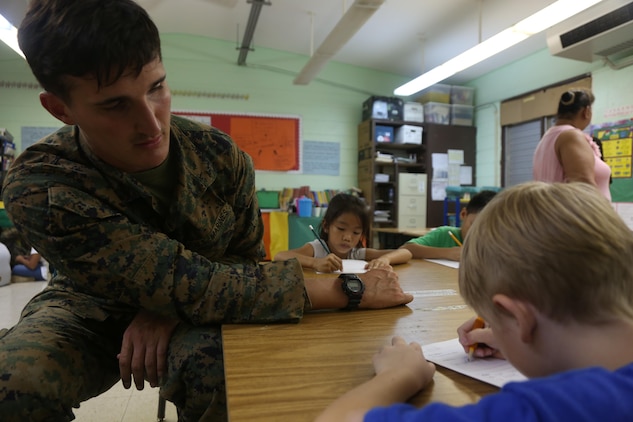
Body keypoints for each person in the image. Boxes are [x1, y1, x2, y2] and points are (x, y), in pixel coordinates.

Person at [0, 1, 413, 420]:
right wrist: (349, 290)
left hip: (206, 305)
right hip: (87, 308)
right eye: (115, 106)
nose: (152, 124)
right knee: (12, 383)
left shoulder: (219, 155)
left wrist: (171, 308)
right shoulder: (41, 182)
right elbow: (180, 280)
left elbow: (245, 262)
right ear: (61, 108)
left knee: (221, 368)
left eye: (156, 87)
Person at [316, 181, 633, 421]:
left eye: (493, 320)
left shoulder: (548, 409)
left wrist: (398, 375)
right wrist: (526, 340)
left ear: (520, 318)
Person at [274, 193, 412, 272]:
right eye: (341, 229)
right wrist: (315, 263)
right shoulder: (317, 248)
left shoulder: (356, 253)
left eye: (356, 232)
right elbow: (280, 256)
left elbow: (406, 253)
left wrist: (385, 259)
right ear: (326, 226)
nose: (347, 238)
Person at [533, 88, 611, 200]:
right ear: (586, 111)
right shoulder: (571, 136)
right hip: (578, 215)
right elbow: (584, 186)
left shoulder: (548, 137)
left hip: (557, 212)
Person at [399, 190, 497, 261]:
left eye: (487, 229)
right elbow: (406, 249)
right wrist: (447, 253)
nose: (478, 233)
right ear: (463, 214)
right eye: (473, 225)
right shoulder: (445, 234)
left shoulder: (497, 243)